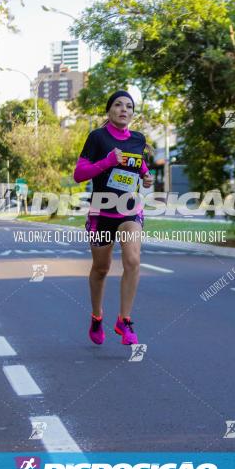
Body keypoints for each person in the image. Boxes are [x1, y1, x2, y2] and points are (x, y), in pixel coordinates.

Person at [73, 90, 153, 346]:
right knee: (101, 268)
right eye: (118, 105)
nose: (123, 109)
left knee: (132, 259)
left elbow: (139, 165)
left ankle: (124, 320)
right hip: (102, 212)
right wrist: (106, 162)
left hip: (129, 209)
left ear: (132, 112)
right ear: (109, 110)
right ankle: (97, 316)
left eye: (129, 106)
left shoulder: (138, 139)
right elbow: (79, 174)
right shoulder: (97, 138)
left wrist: (147, 176)